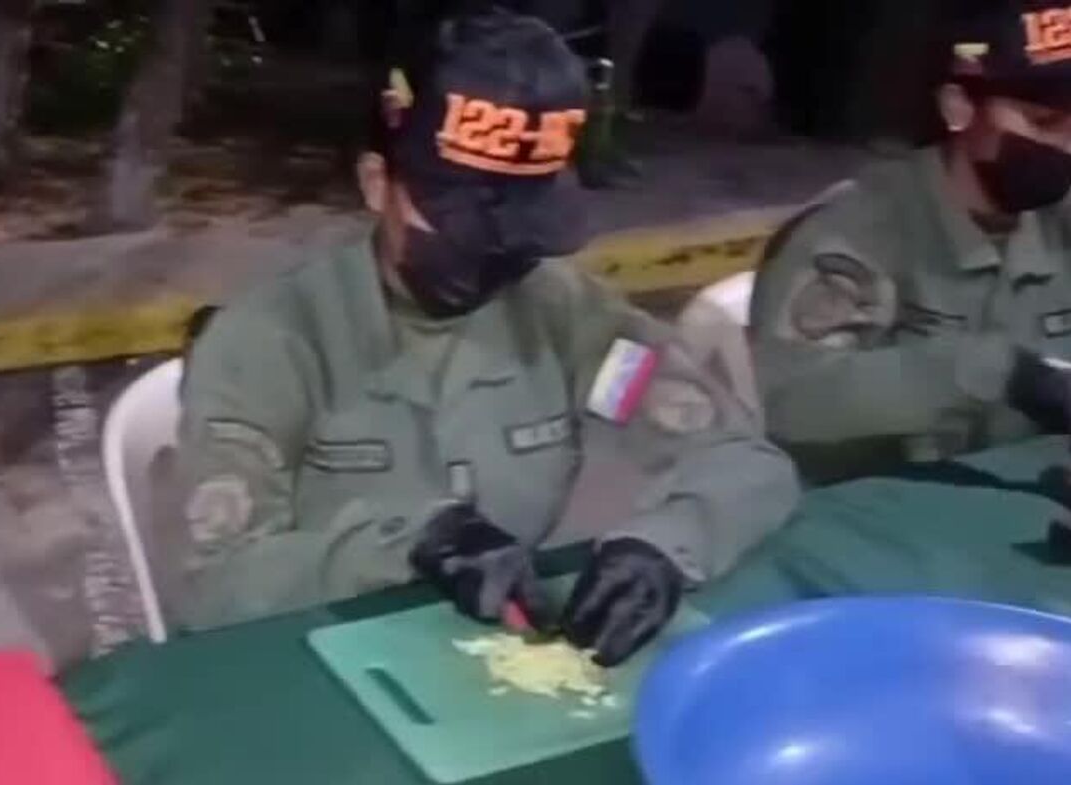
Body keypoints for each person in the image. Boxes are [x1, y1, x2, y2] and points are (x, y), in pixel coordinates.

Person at [168, 8, 798, 666]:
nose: (490, 256)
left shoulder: (564, 319)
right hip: (307, 661)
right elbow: (212, 585)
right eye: (463, 224)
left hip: (491, 661)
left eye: (517, 231)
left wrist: (663, 546)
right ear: (377, 183)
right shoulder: (273, 342)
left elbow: (743, 461)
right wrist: (407, 545)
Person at [751, 0, 1071, 482]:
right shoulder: (859, 228)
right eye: (1044, 122)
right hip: (868, 509)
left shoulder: (1058, 221)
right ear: (958, 107)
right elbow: (786, 401)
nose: (1067, 145)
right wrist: (987, 372)